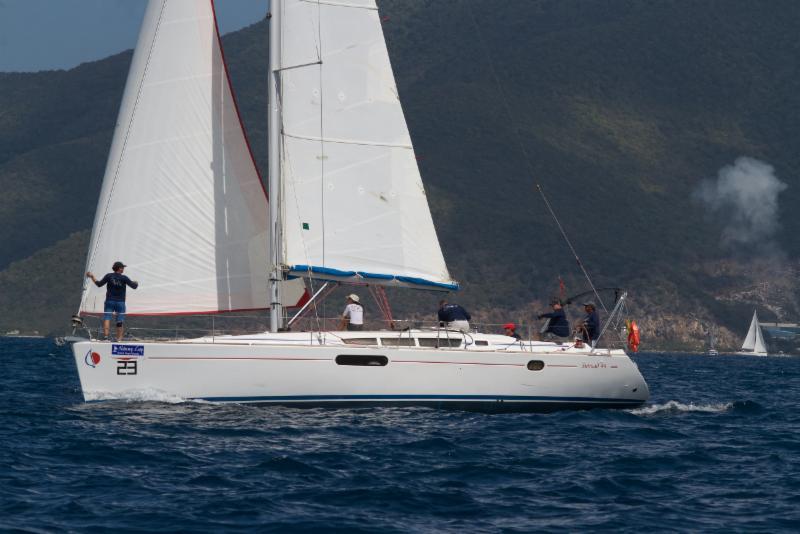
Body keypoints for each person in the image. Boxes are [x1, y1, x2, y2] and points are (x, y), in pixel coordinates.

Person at [86, 261, 139, 341]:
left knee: (107, 318)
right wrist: (136, 283)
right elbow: (134, 287)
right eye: (123, 267)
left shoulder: (108, 276)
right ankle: (119, 339)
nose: (123, 269)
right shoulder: (124, 278)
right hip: (120, 302)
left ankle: (106, 337)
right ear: (120, 269)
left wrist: (92, 276)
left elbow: (99, 284)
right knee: (119, 320)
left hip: (109, 301)